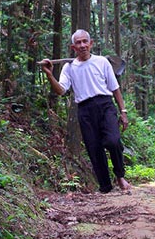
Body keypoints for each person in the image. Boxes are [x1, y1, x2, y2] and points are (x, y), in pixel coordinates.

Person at [40, 29, 130, 193]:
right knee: (94, 148)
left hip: (105, 105)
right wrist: (49, 75)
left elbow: (115, 89)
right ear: (73, 47)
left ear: (91, 44)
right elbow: (61, 90)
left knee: (113, 141)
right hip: (85, 109)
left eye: (84, 42)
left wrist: (123, 111)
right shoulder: (69, 68)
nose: (82, 45)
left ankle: (120, 176)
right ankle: (105, 187)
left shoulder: (102, 62)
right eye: (78, 43)